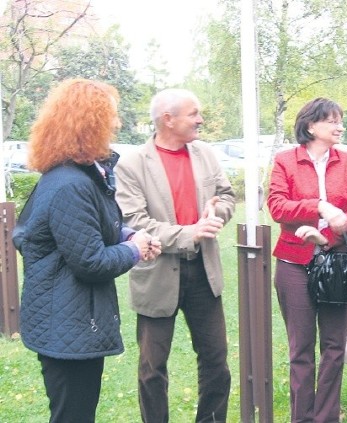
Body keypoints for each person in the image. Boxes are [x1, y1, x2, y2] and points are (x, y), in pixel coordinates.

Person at [17, 78, 161, 422]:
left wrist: (127, 234)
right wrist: (136, 249)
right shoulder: (70, 183)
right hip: (65, 324)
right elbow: (90, 261)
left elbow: (86, 228)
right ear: (89, 123)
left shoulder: (78, 177)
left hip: (68, 320)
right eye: (110, 115)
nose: (117, 123)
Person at [114, 88, 236, 423]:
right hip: (156, 274)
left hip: (203, 271)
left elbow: (226, 195)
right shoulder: (133, 164)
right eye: (194, 113)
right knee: (152, 368)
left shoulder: (205, 154)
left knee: (216, 361)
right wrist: (189, 233)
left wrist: (216, 213)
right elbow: (134, 221)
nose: (201, 119)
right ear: (168, 119)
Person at [267, 97, 347, 422]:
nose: (341, 126)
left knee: (334, 349)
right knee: (301, 352)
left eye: (341, 120)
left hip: (337, 263)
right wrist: (319, 206)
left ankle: (326, 418)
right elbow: (277, 206)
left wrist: (327, 239)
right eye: (333, 121)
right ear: (311, 125)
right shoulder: (285, 161)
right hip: (294, 264)